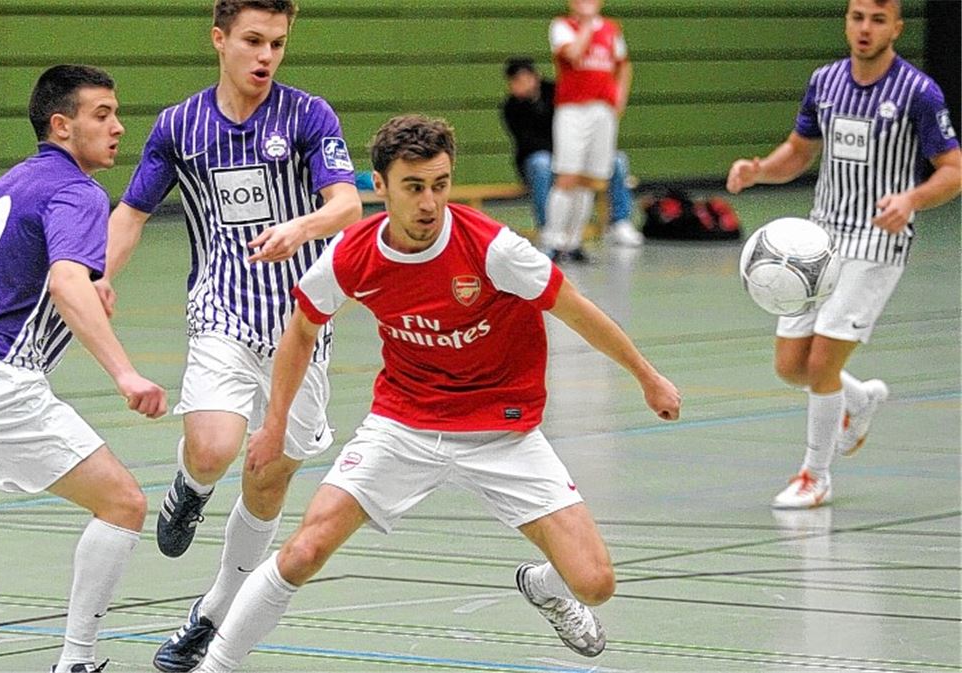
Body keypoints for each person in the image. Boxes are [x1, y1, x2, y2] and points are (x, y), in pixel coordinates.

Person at [191, 114, 682, 672]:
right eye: (414, 187)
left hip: (502, 429)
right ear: (380, 186)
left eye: (440, 185)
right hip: (404, 424)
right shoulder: (355, 255)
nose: (429, 203)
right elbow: (301, 329)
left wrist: (647, 376)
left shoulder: (492, 249)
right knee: (305, 550)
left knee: (594, 584)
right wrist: (275, 424)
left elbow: (575, 308)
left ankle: (543, 586)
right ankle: (216, 666)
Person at [94, 1, 361, 670]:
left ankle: (210, 615)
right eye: (252, 40)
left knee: (267, 479)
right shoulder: (180, 127)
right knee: (214, 447)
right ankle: (190, 485)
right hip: (222, 310)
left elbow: (348, 203)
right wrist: (95, 277)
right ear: (220, 40)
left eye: (277, 42)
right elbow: (131, 211)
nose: (265, 55)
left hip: (301, 325)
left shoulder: (307, 116)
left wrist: (301, 228)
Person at [0, 64, 168, 673]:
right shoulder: (78, 191)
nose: (119, 127)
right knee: (123, 503)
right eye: (102, 115)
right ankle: (76, 661)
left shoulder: (10, 181)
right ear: (61, 125)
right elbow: (67, 281)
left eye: (118, 113)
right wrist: (125, 374)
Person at [727, 0, 960, 509]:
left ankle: (816, 475)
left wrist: (910, 200)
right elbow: (799, 150)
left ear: (896, 27)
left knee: (823, 361)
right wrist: (759, 169)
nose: (865, 28)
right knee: (792, 367)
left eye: (878, 20)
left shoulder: (919, 92)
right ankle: (860, 398)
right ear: (847, 21)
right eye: (857, 17)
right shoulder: (825, 81)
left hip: (878, 240)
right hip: (820, 240)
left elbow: (953, 170)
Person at [501, 56, 643, 248]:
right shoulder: (511, 108)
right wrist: (565, 157)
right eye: (515, 82)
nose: (521, 85)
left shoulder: (559, 94)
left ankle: (620, 222)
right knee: (541, 163)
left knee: (617, 160)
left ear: (535, 76)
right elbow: (528, 143)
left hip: (575, 153)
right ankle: (548, 227)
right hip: (544, 157)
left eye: (524, 78)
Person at [542, 0, 633, 262]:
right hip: (573, 109)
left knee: (589, 179)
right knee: (568, 176)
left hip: (602, 111)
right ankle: (553, 239)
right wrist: (586, 24)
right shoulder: (562, 26)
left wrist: (619, 99)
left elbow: (623, 65)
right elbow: (573, 53)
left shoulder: (611, 29)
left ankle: (574, 241)